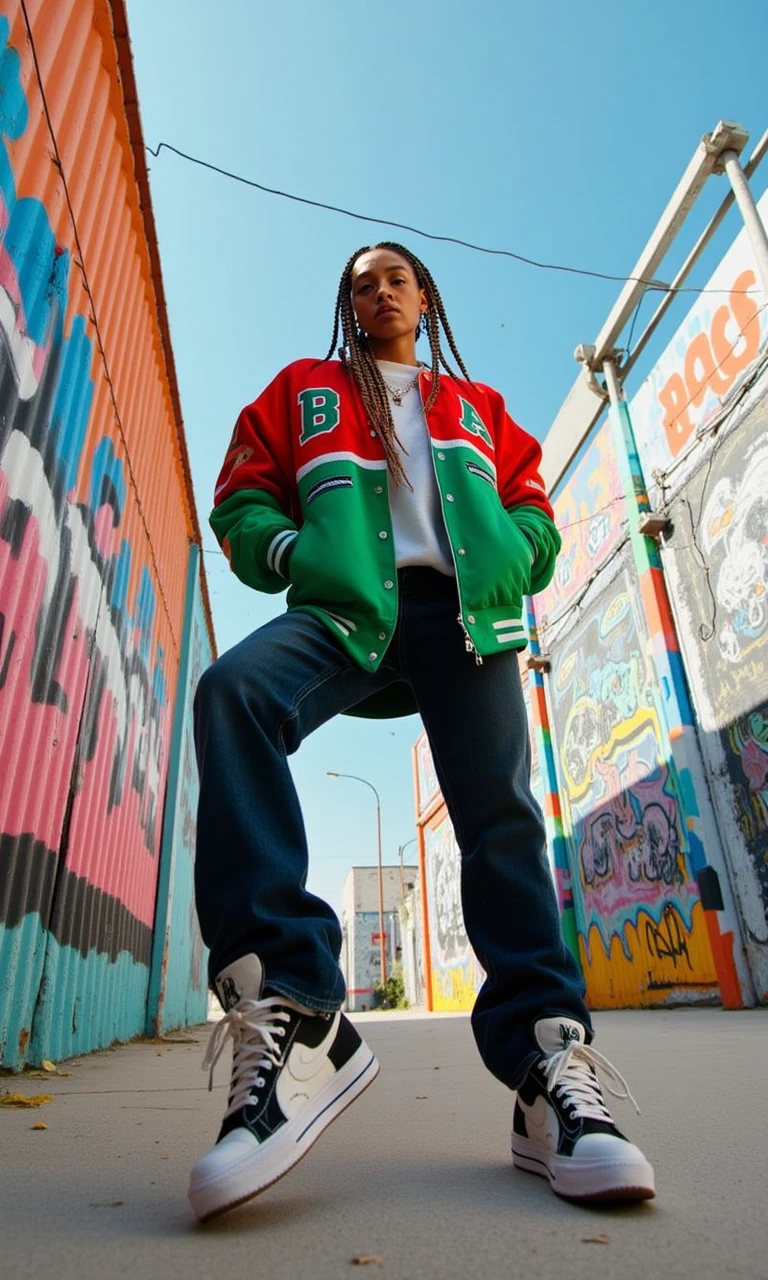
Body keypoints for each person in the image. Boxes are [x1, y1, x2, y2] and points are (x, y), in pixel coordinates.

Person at [189, 242, 655, 1222]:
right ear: (347, 305)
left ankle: (548, 1074)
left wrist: (515, 559)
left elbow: (533, 501)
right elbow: (239, 498)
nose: (378, 292)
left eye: (395, 277)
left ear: (425, 295)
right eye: (360, 283)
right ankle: (299, 1008)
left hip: (466, 618)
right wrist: (291, 551)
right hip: (347, 611)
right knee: (233, 692)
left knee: (499, 817)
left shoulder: (475, 403)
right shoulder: (302, 390)